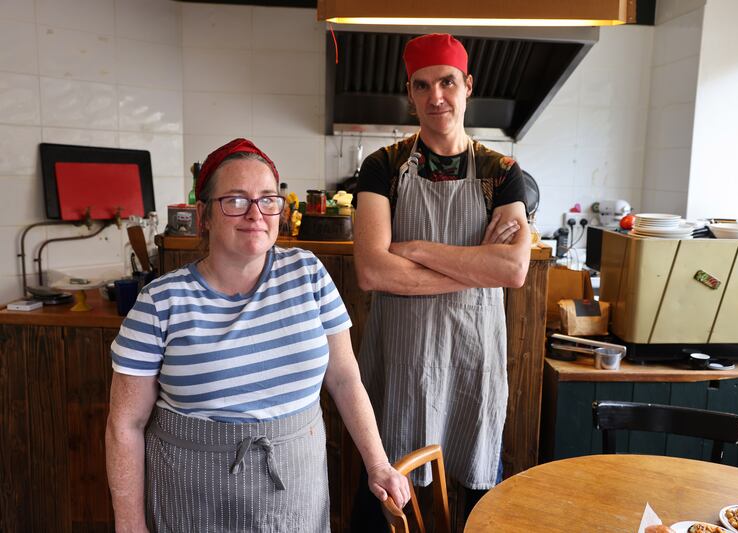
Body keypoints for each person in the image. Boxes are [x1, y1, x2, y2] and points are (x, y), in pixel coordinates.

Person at [106, 138, 409, 532]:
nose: (255, 213)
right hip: (193, 499)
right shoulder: (160, 302)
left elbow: (344, 377)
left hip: (296, 492)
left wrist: (378, 464)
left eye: (268, 199)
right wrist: (129, 526)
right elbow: (124, 425)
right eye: (235, 200)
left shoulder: (308, 274)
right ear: (205, 216)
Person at [351, 33, 531, 528]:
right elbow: (371, 270)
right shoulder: (381, 168)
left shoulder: (503, 172)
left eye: (447, 82)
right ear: (410, 93)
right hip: (400, 358)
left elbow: (513, 270)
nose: (436, 96)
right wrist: (476, 266)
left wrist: (417, 251)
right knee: (385, 497)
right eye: (422, 84)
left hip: (472, 358)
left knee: (476, 499)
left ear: (467, 85)